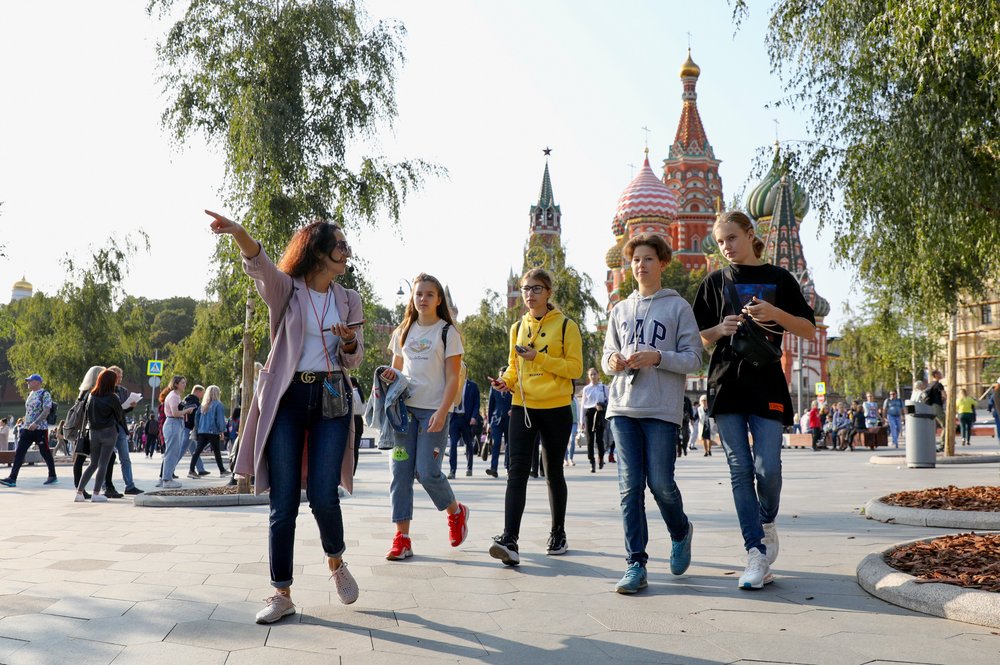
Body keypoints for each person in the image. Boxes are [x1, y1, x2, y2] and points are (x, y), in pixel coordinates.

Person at [209, 209, 363, 624]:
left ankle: (336, 561)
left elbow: (356, 360)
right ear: (318, 251)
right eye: (341, 246)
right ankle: (281, 593)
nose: (347, 252)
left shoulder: (349, 299)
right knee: (284, 501)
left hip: (332, 394)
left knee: (324, 493)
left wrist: (348, 344)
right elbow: (258, 263)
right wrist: (240, 232)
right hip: (288, 397)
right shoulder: (287, 290)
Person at [692, 210, 816, 590]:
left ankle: (766, 521)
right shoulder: (714, 282)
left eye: (731, 238)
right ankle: (755, 553)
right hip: (726, 383)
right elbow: (692, 339)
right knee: (739, 470)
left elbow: (809, 330)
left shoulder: (779, 279)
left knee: (768, 468)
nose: (726, 247)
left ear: (749, 234)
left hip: (766, 383)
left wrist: (775, 312)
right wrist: (718, 329)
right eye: (719, 242)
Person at [601, 233, 702, 593]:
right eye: (635, 260)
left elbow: (694, 357)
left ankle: (680, 531)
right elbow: (606, 355)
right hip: (623, 407)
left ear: (662, 263)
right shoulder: (620, 309)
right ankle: (635, 565)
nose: (640, 266)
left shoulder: (678, 308)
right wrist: (613, 360)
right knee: (630, 489)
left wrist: (658, 357)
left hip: (661, 409)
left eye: (647, 259)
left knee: (660, 484)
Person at [488, 268, 583, 565]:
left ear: (549, 293)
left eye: (537, 289)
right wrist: (506, 381)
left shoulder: (567, 326)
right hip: (523, 407)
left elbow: (575, 369)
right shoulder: (517, 327)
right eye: (526, 289)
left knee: (553, 471)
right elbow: (513, 367)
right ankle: (510, 538)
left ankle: (558, 533)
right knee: (516, 472)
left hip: (555, 408)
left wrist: (538, 357)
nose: (530, 294)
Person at [381, 273, 470, 562]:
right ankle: (402, 538)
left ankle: (455, 512)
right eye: (418, 294)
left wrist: (443, 411)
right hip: (403, 414)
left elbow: (454, 376)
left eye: (429, 294)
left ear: (438, 299)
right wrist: (384, 379)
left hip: (434, 411)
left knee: (427, 471)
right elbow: (395, 370)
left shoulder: (448, 332)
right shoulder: (402, 331)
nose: (423, 299)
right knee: (400, 473)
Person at [74, 369, 125, 503]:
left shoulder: (91, 395)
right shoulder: (113, 397)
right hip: (109, 432)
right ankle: (96, 493)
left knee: (93, 464)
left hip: (93, 433)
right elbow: (119, 416)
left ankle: (79, 492)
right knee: (104, 463)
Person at [0, 374, 59, 488]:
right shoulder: (30, 394)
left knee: (45, 452)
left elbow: (46, 411)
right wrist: (24, 424)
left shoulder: (44, 394)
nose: (28, 383)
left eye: (30, 381)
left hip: (40, 429)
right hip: (27, 429)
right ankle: (12, 478)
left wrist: (36, 423)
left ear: (37, 382)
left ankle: (52, 476)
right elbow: (29, 412)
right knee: (19, 452)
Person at [104, 366, 143, 496]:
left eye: (120, 376)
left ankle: (130, 486)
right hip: (108, 427)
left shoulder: (123, 390)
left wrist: (131, 407)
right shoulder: (104, 390)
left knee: (125, 457)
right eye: (117, 376)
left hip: (120, 426)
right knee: (107, 458)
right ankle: (105, 485)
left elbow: (122, 411)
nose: (119, 379)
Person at [191, 385, 230, 476]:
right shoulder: (218, 404)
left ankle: (191, 470)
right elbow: (220, 420)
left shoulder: (203, 405)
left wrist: (198, 429)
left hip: (202, 431)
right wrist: (222, 431)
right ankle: (222, 471)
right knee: (217, 452)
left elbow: (196, 419)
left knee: (197, 451)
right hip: (213, 431)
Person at [448, 375, 480, 478]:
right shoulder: (452, 384)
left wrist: (474, 416)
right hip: (454, 418)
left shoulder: (473, 386)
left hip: (467, 419)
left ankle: (469, 468)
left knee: (469, 445)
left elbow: (476, 403)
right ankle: (452, 471)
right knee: (453, 444)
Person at [485, 366, 512, 478]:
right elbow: (491, 406)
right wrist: (488, 423)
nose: (501, 377)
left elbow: (517, 400)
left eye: (503, 374)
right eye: (500, 374)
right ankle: (493, 468)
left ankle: (508, 467)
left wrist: (513, 409)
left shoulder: (512, 386)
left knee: (508, 444)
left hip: (509, 419)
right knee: (495, 444)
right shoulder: (494, 388)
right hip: (496, 420)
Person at [581, 368, 609, 472]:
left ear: (598, 375)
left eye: (594, 374)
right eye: (590, 375)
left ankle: (601, 457)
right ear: (588, 376)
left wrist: (603, 406)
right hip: (590, 413)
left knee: (600, 439)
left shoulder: (603, 387)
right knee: (590, 439)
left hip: (600, 413)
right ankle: (591, 462)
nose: (593, 376)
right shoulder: (586, 389)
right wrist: (581, 420)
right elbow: (583, 405)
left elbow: (609, 401)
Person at [183, 384, 209, 477]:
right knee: (181, 450)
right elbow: (196, 417)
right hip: (189, 429)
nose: (202, 396)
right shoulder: (195, 402)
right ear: (197, 392)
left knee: (194, 450)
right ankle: (170, 470)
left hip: (187, 428)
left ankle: (200, 469)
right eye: (202, 393)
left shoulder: (186, 400)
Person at [349, 377, 366, 475]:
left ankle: (350, 470)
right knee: (355, 448)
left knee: (350, 447)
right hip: (359, 420)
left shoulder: (353, 394)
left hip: (353, 420)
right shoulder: (360, 394)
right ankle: (353, 470)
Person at [925, 370, 946, 446]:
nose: (941, 374)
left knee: (933, 426)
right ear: (936, 375)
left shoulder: (930, 384)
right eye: (940, 373)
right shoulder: (938, 385)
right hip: (937, 406)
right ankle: (943, 443)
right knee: (946, 424)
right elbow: (944, 395)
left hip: (930, 407)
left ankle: (930, 443)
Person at [564, 394, 579, 466]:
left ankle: (571, 458)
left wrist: (581, 422)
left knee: (573, 440)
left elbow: (578, 410)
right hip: (565, 422)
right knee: (565, 441)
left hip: (574, 422)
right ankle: (565, 459)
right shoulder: (563, 397)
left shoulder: (575, 399)